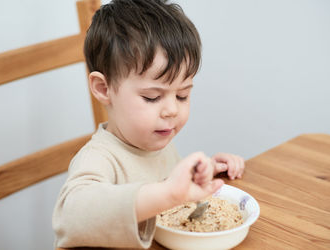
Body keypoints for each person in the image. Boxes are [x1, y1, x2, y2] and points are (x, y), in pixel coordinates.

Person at [52, 0, 245, 248]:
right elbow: (72, 215)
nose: (172, 110)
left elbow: (171, 188)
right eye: (152, 97)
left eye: (182, 95)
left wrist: (205, 172)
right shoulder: (99, 158)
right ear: (104, 89)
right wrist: (168, 195)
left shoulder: (156, 140)